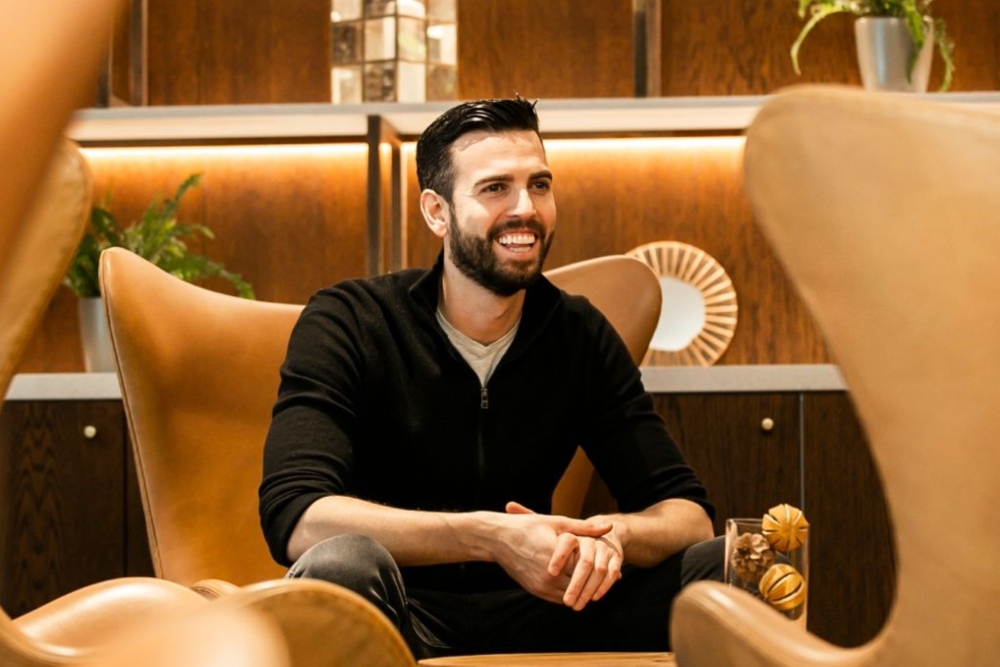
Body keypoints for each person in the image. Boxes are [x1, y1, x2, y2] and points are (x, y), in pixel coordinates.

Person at [258, 96, 719, 659]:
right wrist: (492, 538)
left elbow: (688, 515)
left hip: (546, 607)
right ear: (437, 211)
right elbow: (297, 517)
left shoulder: (577, 332)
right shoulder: (350, 320)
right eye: (495, 188)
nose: (525, 208)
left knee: (726, 568)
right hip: (400, 610)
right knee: (341, 563)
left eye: (540, 185)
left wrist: (608, 538)